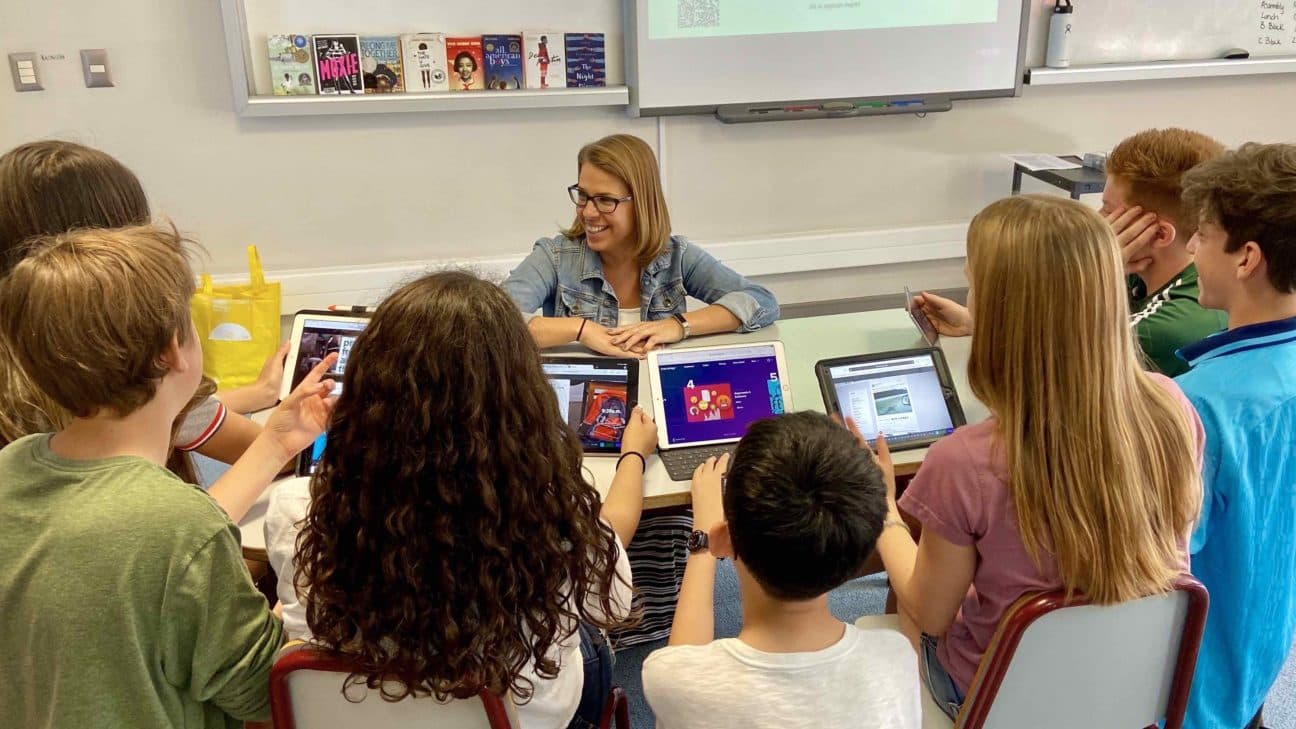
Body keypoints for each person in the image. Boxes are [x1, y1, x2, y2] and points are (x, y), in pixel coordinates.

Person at [268, 271, 658, 729]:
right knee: (590, 641)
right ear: (524, 400)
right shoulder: (553, 515)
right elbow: (612, 602)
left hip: (358, 716)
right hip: (521, 718)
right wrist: (633, 455)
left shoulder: (298, 508)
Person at [871, 195, 1203, 719]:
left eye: (975, 286)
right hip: (1131, 694)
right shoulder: (1172, 407)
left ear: (998, 310)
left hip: (998, 704)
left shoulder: (962, 462)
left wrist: (884, 510)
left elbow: (932, 613)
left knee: (909, 612)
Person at [0, 224, 336, 728]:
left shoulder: (13, 465)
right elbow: (264, 693)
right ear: (172, 351)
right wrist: (291, 603)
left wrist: (276, 441)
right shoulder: (181, 528)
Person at [502, 133, 779, 644]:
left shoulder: (675, 256)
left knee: (671, 501)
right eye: (583, 195)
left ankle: (651, 615)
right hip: (586, 430)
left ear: (641, 201)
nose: (589, 212)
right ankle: (602, 618)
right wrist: (580, 329)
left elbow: (759, 301)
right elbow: (495, 319)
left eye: (605, 200)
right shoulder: (556, 256)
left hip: (659, 424)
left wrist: (679, 325)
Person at [0, 140, 284, 507]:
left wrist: (256, 394)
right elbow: (174, 528)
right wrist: (280, 443)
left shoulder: (34, 376)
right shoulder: (134, 366)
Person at [642, 412, 920, 729]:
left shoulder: (672, 680)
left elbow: (683, 660)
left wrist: (702, 534)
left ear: (723, 539)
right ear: (867, 540)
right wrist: (885, 503)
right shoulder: (897, 659)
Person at [916, 128, 1227, 377]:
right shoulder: (1141, 275)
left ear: (1158, 234)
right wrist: (978, 323)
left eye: (1108, 209)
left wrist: (1094, 265)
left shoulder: (1166, 328)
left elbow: (1043, 368)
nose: (1097, 219)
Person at [1175, 143, 1296, 729]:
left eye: (1201, 235)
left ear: (1247, 257)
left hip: (1189, 688)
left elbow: (1153, 558)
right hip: (1259, 654)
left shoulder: (1199, 405)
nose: (1190, 250)